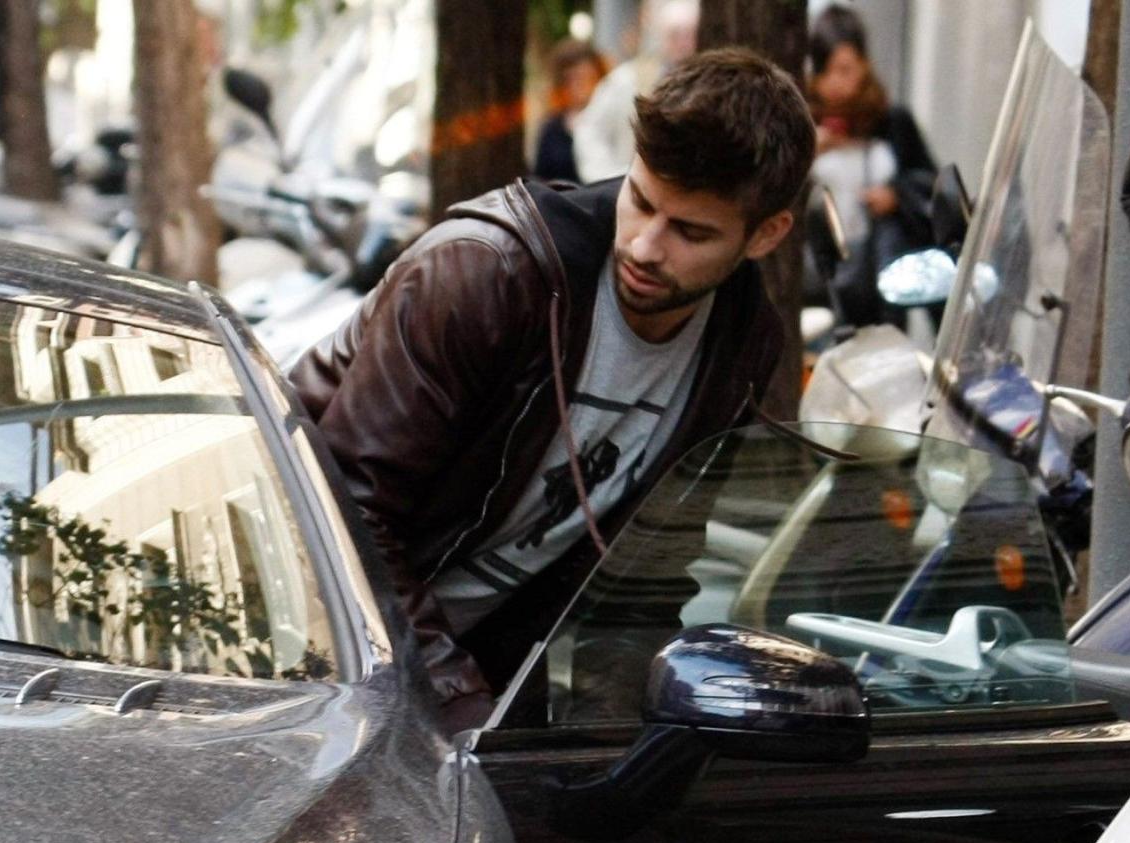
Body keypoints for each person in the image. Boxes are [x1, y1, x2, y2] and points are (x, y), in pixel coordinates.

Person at [291, 49, 815, 731]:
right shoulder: (486, 275)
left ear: (767, 233)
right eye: (641, 200)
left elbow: (647, 571)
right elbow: (348, 516)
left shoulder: (741, 344)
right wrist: (456, 704)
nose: (646, 247)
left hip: (470, 670)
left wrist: (615, 730)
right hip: (309, 633)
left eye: (690, 231)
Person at [807, 4, 935, 328]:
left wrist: (895, 196)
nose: (835, 83)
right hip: (818, 278)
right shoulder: (804, 123)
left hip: (878, 272)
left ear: (864, 64)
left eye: (845, 69)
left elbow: (928, 183)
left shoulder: (889, 121)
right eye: (825, 71)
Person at [573, 0, 699, 184]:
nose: (683, 44)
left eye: (690, 35)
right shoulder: (627, 80)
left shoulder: (711, 82)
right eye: (676, 35)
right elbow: (589, 130)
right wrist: (611, 178)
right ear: (662, 36)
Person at [534, 40, 609, 184]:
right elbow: (540, 177)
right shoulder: (552, 128)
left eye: (586, 77)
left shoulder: (610, 121)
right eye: (572, 78)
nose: (579, 86)